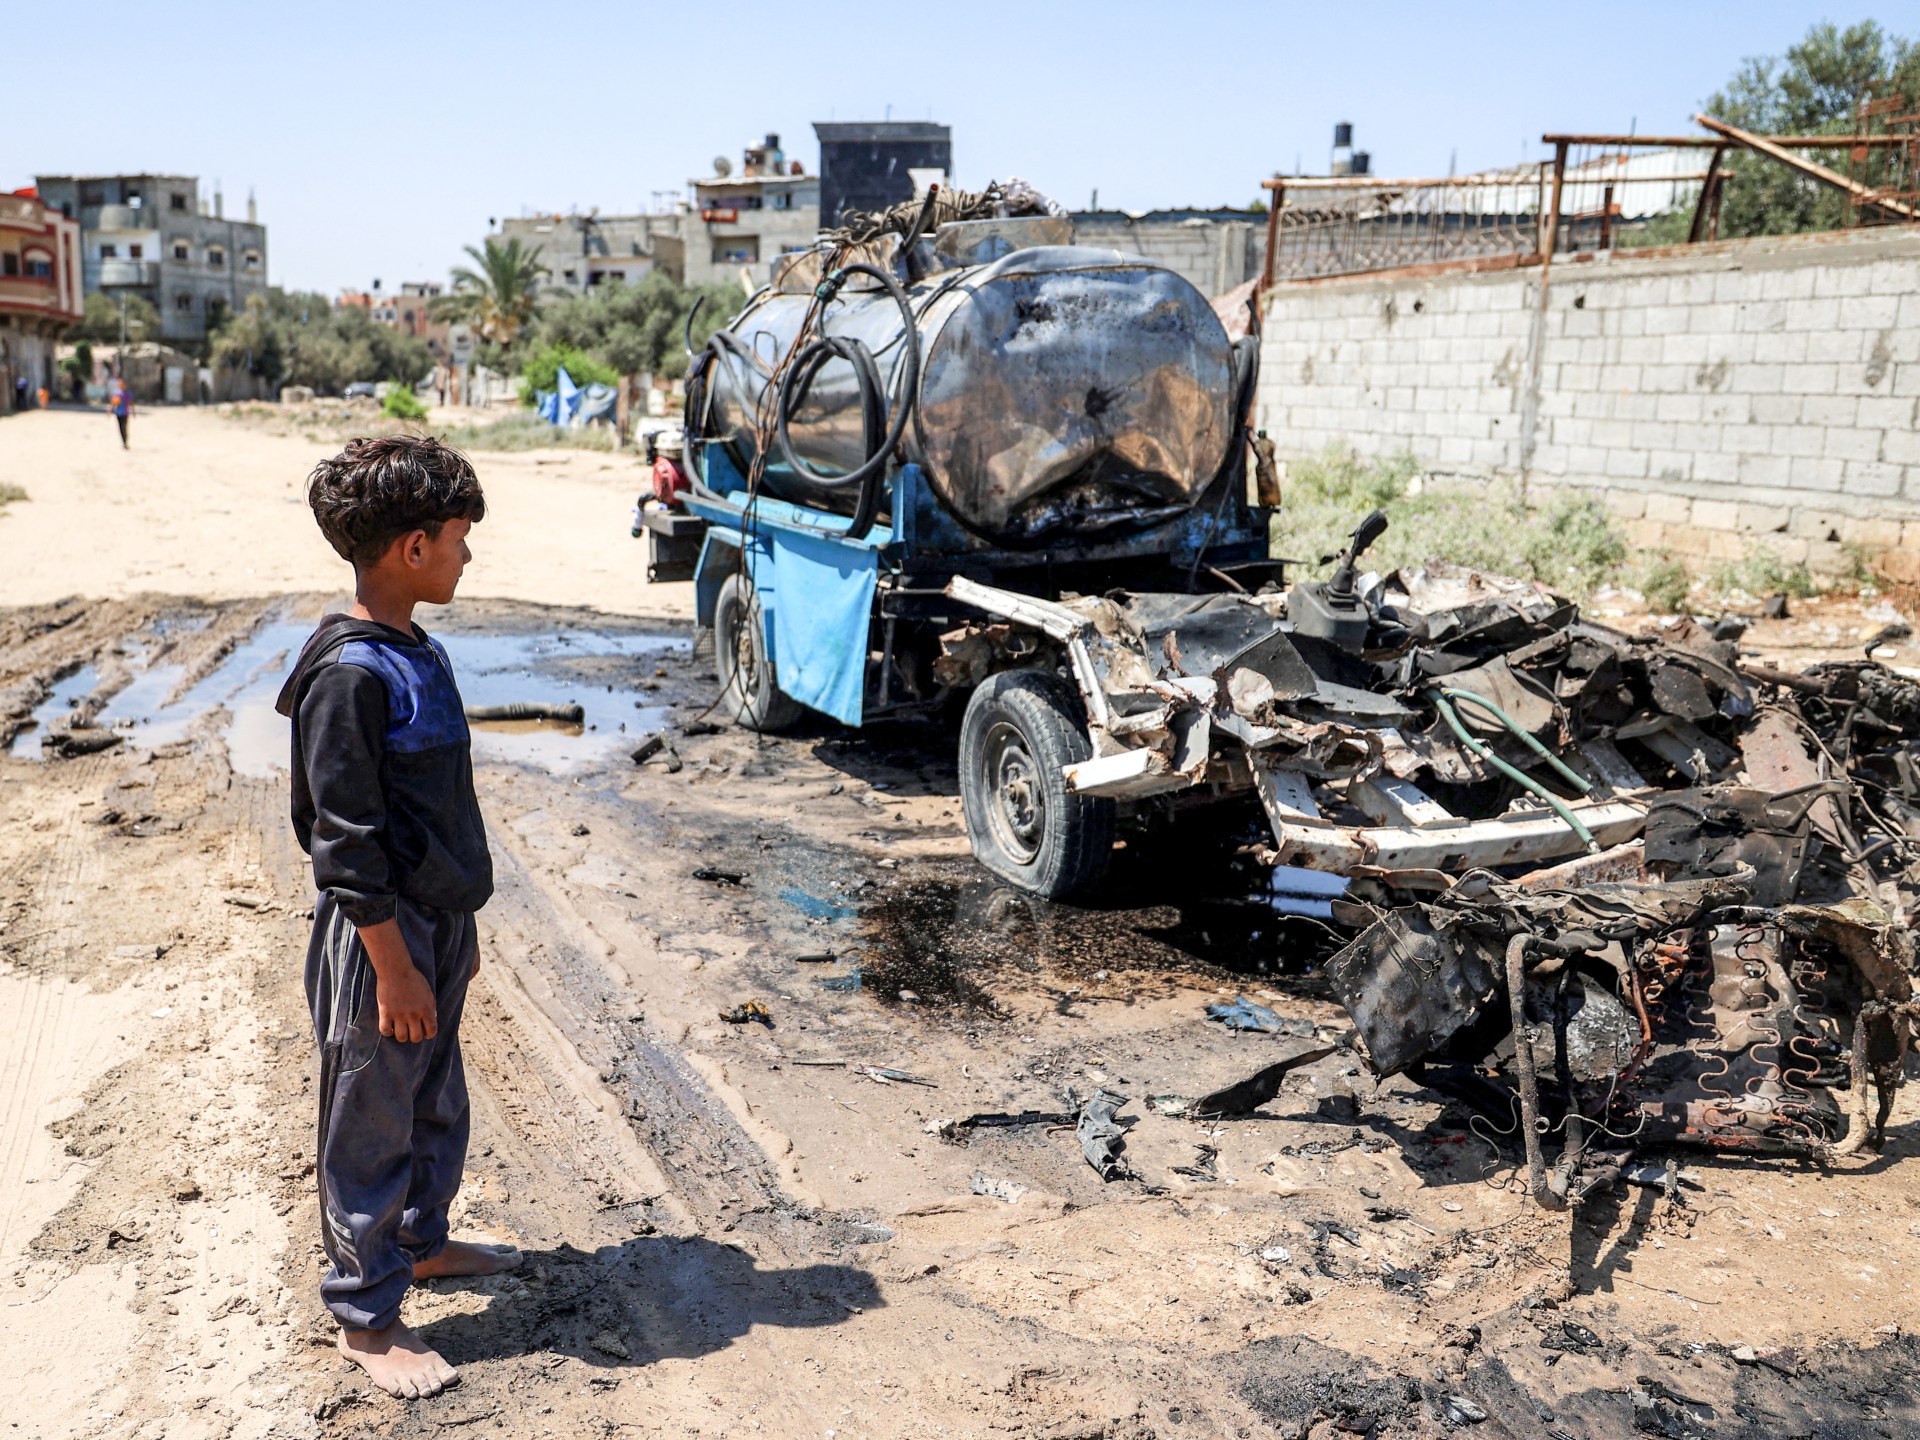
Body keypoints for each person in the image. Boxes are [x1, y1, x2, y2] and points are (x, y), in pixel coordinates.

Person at [272, 435, 519, 1400]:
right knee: (370, 1117)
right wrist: (394, 965)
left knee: (432, 1096)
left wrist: (451, 934)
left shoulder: (418, 649)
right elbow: (344, 842)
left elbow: (435, 808)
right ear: (414, 548)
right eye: (458, 538)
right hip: (382, 935)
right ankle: (366, 1317)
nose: (468, 554)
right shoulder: (349, 674)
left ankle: (419, 1244)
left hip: (435, 924)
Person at [107, 375, 132, 448]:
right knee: (120, 428)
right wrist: (110, 410)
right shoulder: (116, 393)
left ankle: (125, 441)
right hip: (118, 413)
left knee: (124, 427)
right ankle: (123, 442)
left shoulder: (127, 393)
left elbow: (131, 402)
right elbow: (113, 402)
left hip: (125, 413)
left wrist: (133, 411)